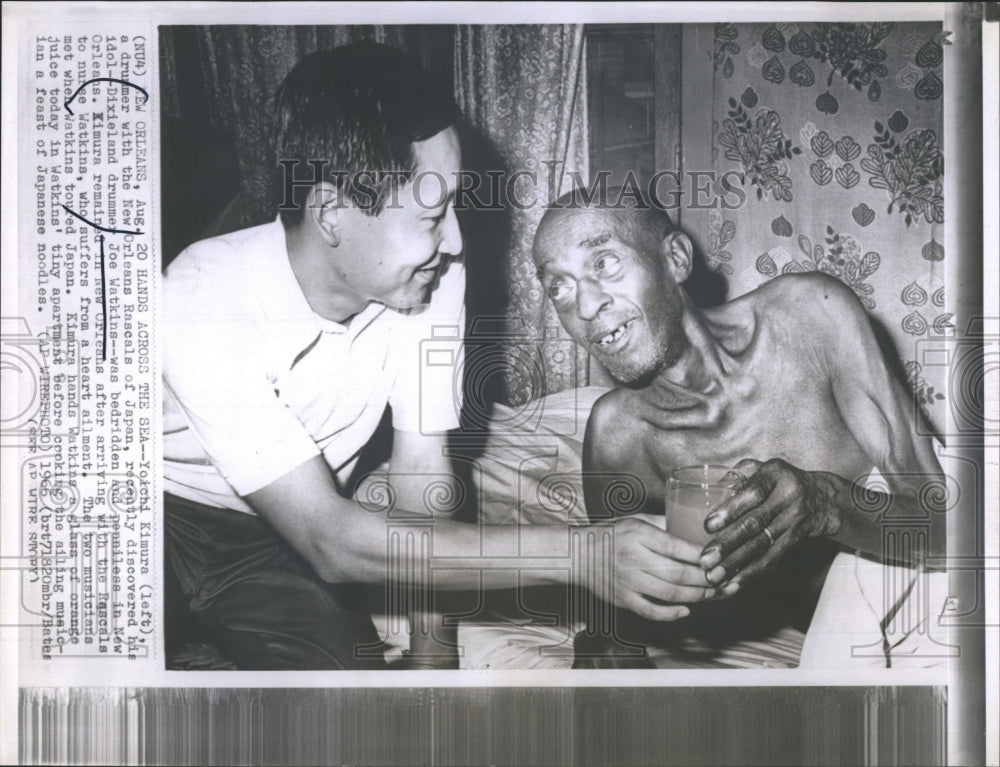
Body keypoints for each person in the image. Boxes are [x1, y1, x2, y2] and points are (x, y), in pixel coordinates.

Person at [162, 43, 718, 671]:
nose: (455, 240)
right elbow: (329, 540)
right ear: (331, 212)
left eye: (454, 206)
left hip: (265, 546)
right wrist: (583, 555)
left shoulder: (431, 279)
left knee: (346, 714)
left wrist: (433, 660)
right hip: (150, 512)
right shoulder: (200, 294)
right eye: (432, 216)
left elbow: (421, 485)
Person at [531, 187, 945, 667]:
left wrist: (825, 503)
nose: (583, 307)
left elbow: (949, 530)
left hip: (926, 596)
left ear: (675, 259)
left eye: (603, 263)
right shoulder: (619, 438)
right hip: (839, 649)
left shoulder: (811, 316)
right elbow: (618, 613)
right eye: (558, 286)